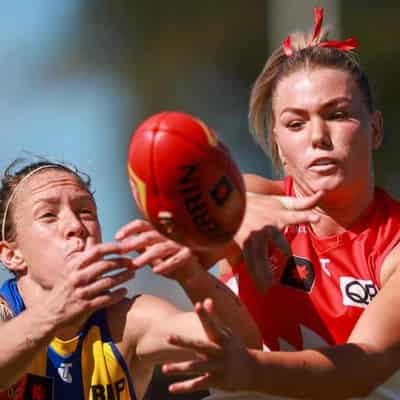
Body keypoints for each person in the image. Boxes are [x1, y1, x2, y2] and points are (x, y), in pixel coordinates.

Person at [150, 7, 400, 399]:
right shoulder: (244, 196)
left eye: (337, 115)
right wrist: (223, 224)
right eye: (296, 123)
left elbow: (365, 363)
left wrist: (249, 369)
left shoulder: (395, 244)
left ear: (376, 129)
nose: (318, 135)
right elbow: (173, 241)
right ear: (279, 146)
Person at [0, 159, 261, 400]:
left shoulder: (126, 322)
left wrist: (191, 274)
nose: (75, 225)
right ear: (11, 255)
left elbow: (244, 348)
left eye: (85, 211)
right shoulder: (5, 313)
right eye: (48, 215)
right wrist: (54, 313)